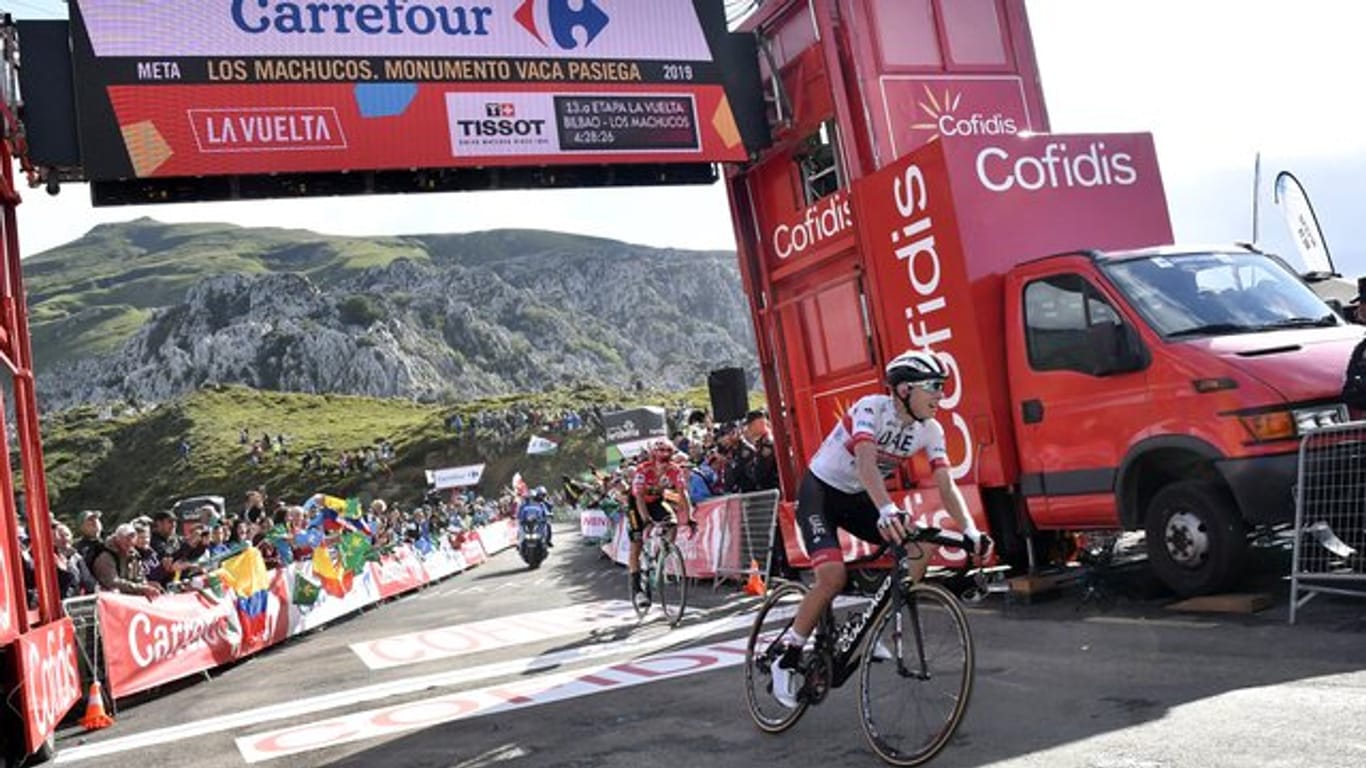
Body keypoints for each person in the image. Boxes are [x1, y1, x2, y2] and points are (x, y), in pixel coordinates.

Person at [769, 349, 992, 708]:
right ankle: (788, 654)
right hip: (822, 493)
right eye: (933, 386)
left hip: (859, 498)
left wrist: (969, 529)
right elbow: (866, 462)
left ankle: (874, 632)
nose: (940, 395)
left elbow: (946, 484)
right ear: (904, 390)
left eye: (942, 387)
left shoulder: (930, 429)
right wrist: (887, 509)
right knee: (832, 577)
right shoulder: (871, 408)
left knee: (920, 548)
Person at [627, 437, 695, 600]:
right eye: (661, 459)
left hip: (657, 500)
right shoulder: (643, 470)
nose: (665, 464)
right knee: (636, 543)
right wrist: (646, 520)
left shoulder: (674, 469)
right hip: (637, 504)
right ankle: (637, 590)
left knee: (672, 524)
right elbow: (639, 498)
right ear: (652, 457)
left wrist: (690, 516)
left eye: (668, 458)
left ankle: (660, 557)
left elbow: (682, 493)